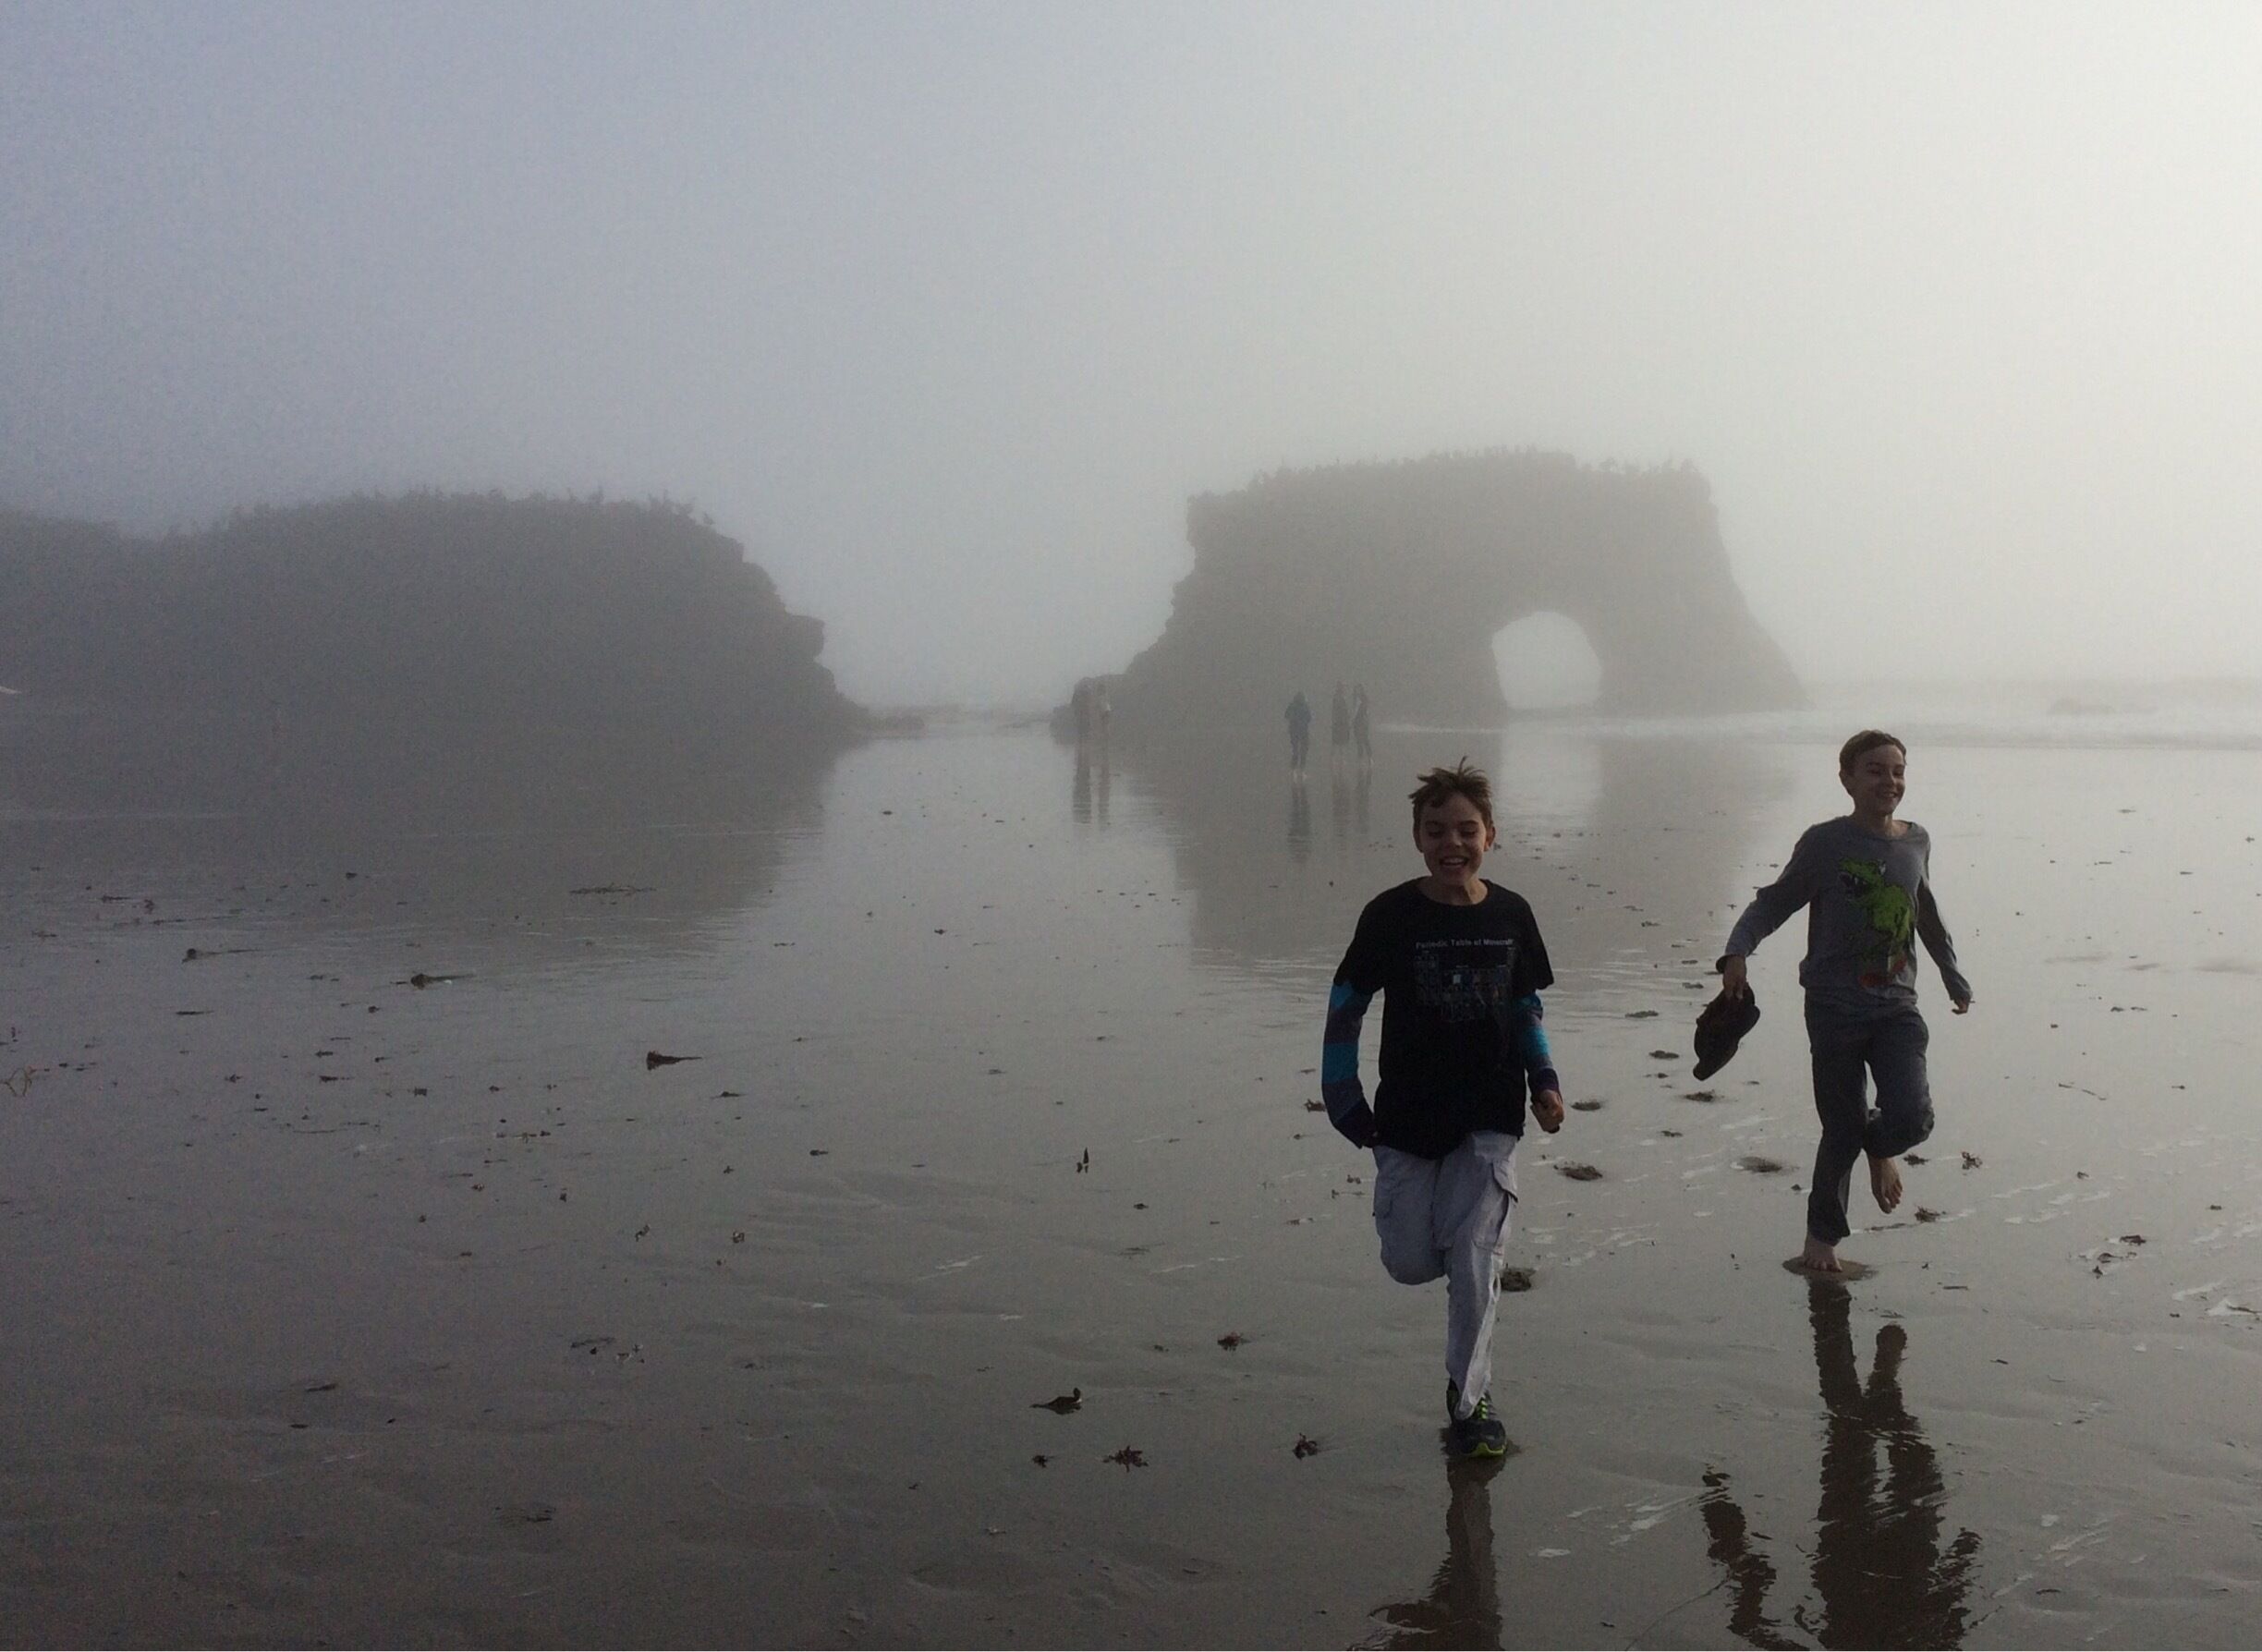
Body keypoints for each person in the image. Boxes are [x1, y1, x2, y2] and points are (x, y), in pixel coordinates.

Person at [1320, 759, 1567, 1457]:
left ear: (1491, 834)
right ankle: (1460, 1310)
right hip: (1405, 1115)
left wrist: (1544, 1080)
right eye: (1436, 831)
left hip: (1491, 1112)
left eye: (1466, 830)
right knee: (1408, 1260)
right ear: (1417, 838)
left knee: (1475, 1259)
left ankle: (1471, 1404)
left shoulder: (1512, 913)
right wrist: (1343, 1097)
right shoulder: (1391, 915)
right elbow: (1347, 1005)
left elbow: (1525, 1007)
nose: (1451, 843)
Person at [1715, 730, 1973, 1275]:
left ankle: (1880, 1146)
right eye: (1876, 770)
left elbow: (1924, 912)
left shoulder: (1916, 841)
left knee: (1914, 1118)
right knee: (1840, 1125)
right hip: (1833, 1007)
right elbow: (1774, 902)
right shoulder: (1825, 843)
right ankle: (1821, 1241)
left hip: (1897, 1005)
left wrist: (1952, 974)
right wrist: (1737, 951)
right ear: (1847, 779)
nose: (1890, 781)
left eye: (1898, 771)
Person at [1285, 690, 1313, 775]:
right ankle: (1302, 771)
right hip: (1303, 731)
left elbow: (1286, 715)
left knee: (1295, 751)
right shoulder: (1305, 706)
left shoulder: (1292, 705)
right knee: (1304, 751)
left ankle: (1293, 770)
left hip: (1293, 731)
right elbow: (1309, 718)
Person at [1331, 682, 1353, 765]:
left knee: (1339, 742)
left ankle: (1338, 759)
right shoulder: (1339, 698)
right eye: (1342, 687)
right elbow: (1337, 711)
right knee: (1338, 742)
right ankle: (1336, 759)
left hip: (1341, 723)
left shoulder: (1339, 697)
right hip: (1340, 723)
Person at [1352, 683, 1372, 765]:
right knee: (1359, 740)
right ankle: (1362, 759)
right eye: (1356, 689)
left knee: (1364, 740)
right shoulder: (1356, 699)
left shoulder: (1363, 699)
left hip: (1362, 722)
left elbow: (1363, 711)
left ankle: (1369, 758)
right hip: (1358, 722)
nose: (1357, 691)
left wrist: (1354, 719)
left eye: (1359, 689)